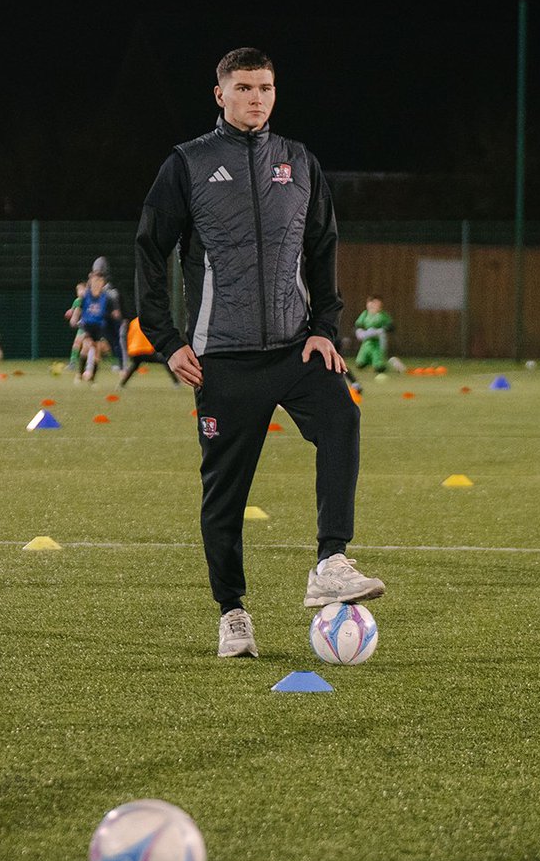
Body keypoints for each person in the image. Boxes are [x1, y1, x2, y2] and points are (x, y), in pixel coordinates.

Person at [135, 46, 385, 659]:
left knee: (342, 416)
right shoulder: (187, 164)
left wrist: (325, 327)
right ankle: (233, 612)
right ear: (219, 93)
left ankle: (330, 561)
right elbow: (149, 250)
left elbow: (323, 247)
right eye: (244, 87)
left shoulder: (299, 162)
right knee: (225, 492)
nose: (256, 98)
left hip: (296, 349)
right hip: (222, 359)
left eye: (265, 88)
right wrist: (167, 340)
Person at [79, 270, 121, 383]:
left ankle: (92, 378)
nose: (97, 283)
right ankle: (80, 374)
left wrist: (115, 314)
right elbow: (80, 308)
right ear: (91, 282)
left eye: (99, 281)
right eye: (95, 280)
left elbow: (113, 311)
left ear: (103, 283)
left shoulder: (106, 298)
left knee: (97, 350)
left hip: (99, 326)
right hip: (87, 325)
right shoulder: (86, 295)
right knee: (87, 346)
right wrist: (75, 316)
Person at [119, 316, 180, 387]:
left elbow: (128, 338)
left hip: (135, 351)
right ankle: (176, 382)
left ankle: (122, 384)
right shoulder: (149, 323)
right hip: (147, 351)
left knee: (135, 365)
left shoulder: (133, 322)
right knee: (165, 361)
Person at [354, 294, 396, 375]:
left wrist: (382, 330)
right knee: (360, 362)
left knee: (378, 362)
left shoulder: (382, 315)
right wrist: (360, 331)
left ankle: (378, 364)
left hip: (377, 342)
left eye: (376, 304)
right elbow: (358, 324)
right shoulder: (365, 314)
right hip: (367, 341)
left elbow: (391, 326)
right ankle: (365, 361)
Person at [64, 280, 87, 373]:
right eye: (78, 290)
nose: (79, 292)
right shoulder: (77, 301)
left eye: (82, 289)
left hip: (92, 325)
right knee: (76, 343)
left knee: (103, 346)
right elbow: (73, 311)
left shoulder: (90, 300)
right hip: (83, 326)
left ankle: (114, 363)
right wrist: (70, 312)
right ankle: (72, 363)